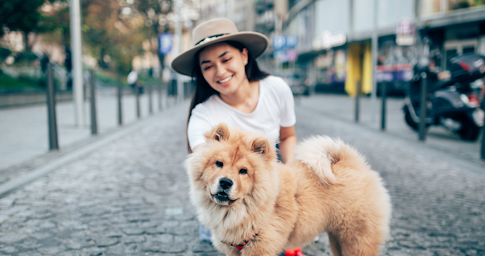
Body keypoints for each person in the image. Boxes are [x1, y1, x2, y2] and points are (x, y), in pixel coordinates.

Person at [170, 18, 298, 245]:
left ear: (244, 56)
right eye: (207, 66)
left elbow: (287, 136)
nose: (220, 71)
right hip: (223, 203)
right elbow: (205, 162)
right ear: (201, 72)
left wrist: (291, 178)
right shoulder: (202, 115)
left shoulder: (276, 89)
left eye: (226, 59)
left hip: (268, 190)